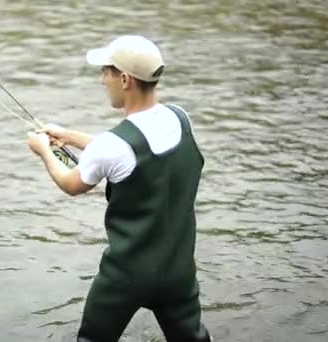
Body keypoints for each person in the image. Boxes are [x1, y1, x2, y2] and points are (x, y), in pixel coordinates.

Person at [27, 35, 211, 342]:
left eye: (106, 72)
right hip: (179, 271)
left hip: (126, 276)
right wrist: (68, 137)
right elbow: (128, 151)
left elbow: (72, 184)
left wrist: (43, 150)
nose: (102, 80)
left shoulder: (114, 146)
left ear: (124, 79)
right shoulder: (181, 119)